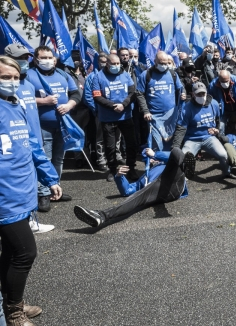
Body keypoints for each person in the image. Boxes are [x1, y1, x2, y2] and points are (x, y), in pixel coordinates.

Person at [0, 55, 62, 325]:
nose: (13, 83)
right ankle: (13, 313)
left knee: (12, 253)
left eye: (16, 78)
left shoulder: (16, 106)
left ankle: (12, 304)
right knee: (26, 252)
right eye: (5, 78)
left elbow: (33, 147)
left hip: (23, 192)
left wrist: (50, 178)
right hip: (5, 196)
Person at [73, 147, 189, 228]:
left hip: (174, 185)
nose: (152, 160)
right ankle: (101, 216)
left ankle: (188, 169)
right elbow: (127, 191)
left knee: (176, 151)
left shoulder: (166, 164)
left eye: (153, 158)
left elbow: (175, 155)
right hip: (156, 191)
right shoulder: (143, 179)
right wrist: (119, 176)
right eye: (149, 160)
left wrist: (156, 154)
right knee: (136, 197)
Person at [26, 46, 80, 209]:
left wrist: (69, 105)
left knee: (58, 158)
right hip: (41, 125)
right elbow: (21, 97)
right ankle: (43, 193)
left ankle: (55, 189)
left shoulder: (63, 74)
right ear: (36, 59)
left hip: (62, 124)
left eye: (50, 57)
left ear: (55, 59)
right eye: (43, 58)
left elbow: (76, 94)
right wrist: (44, 102)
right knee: (44, 158)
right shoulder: (29, 75)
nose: (47, 60)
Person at [92, 53, 139, 183]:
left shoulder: (125, 75)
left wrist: (123, 105)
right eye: (113, 64)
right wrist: (113, 106)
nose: (116, 66)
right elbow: (97, 96)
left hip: (125, 115)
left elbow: (132, 92)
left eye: (118, 63)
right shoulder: (98, 77)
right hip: (108, 117)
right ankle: (112, 170)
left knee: (131, 144)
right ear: (107, 64)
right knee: (110, 147)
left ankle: (131, 168)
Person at [171, 82, 233, 179]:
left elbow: (217, 119)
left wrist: (216, 130)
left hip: (209, 137)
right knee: (182, 159)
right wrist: (176, 147)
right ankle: (182, 180)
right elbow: (181, 129)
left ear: (206, 92)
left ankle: (227, 172)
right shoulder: (186, 108)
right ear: (193, 94)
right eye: (198, 94)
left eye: (203, 93)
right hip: (192, 139)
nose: (201, 96)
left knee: (223, 154)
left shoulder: (214, 104)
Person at [136, 51, 185, 150]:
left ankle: (168, 163)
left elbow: (180, 88)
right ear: (155, 61)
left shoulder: (172, 73)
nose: (164, 65)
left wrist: (184, 95)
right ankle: (156, 162)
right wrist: (145, 111)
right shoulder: (146, 75)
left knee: (171, 144)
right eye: (161, 63)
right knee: (156, 144)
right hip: (153, 116)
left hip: (171, 116)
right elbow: (139, 93)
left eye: (166, 63)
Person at [209, 70, 236, 134]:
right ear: (218, 78)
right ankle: (222, 141)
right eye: (222, 81)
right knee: (220, 127)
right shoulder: (213, 85)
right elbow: (210, 99)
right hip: (223, 111)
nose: (225, 83)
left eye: (226, 81)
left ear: (229, 77)